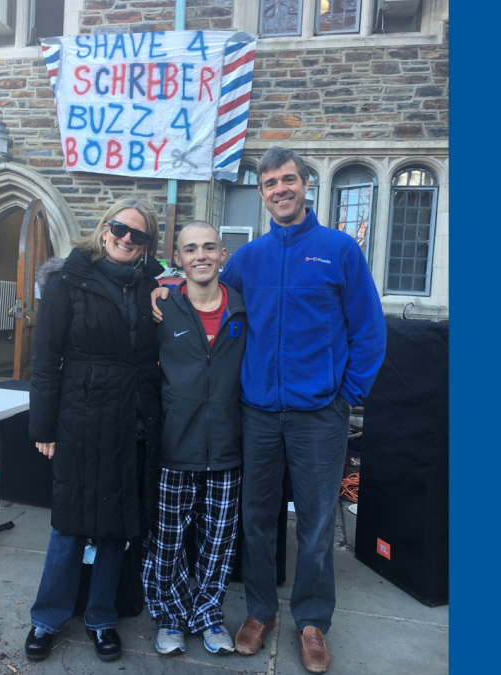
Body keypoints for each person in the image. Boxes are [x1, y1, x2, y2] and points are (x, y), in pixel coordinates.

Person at [152, 147, 387, 673]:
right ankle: (259, 612)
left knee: (317, 521)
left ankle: (310, 621)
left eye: (288, 180)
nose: (279, 189)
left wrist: (345, 393)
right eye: (269, 184)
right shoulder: (248, 258)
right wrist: (162, 287)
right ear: (261, 193)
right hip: (255, 413)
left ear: (305, 185)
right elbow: (202, 288)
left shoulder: (339, 250)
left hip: (319, 415)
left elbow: (369, 331)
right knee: (255, 520)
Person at [24, 197, 165, 664]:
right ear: (105, 229)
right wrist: (43, 424)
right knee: (69, 522)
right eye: (121, 229)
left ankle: (102, 618)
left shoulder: (152, 286)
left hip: (132, 419)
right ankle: (47, 617)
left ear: (147, 245)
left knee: (115, 526)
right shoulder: (69, 278)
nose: (127, 239)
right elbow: (45, 358)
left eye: (138, 235)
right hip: (80, 415)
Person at [143, 221, 247, 657]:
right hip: (175, 446)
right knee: (167, 539)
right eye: (190, 249)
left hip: (227, 447)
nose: (200, 255)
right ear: (179, 259)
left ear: (223, 254)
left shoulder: (244, 309)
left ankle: (207, 614)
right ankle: (169, 615)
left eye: (208, 247)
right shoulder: (164, 307)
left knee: (218, 542)